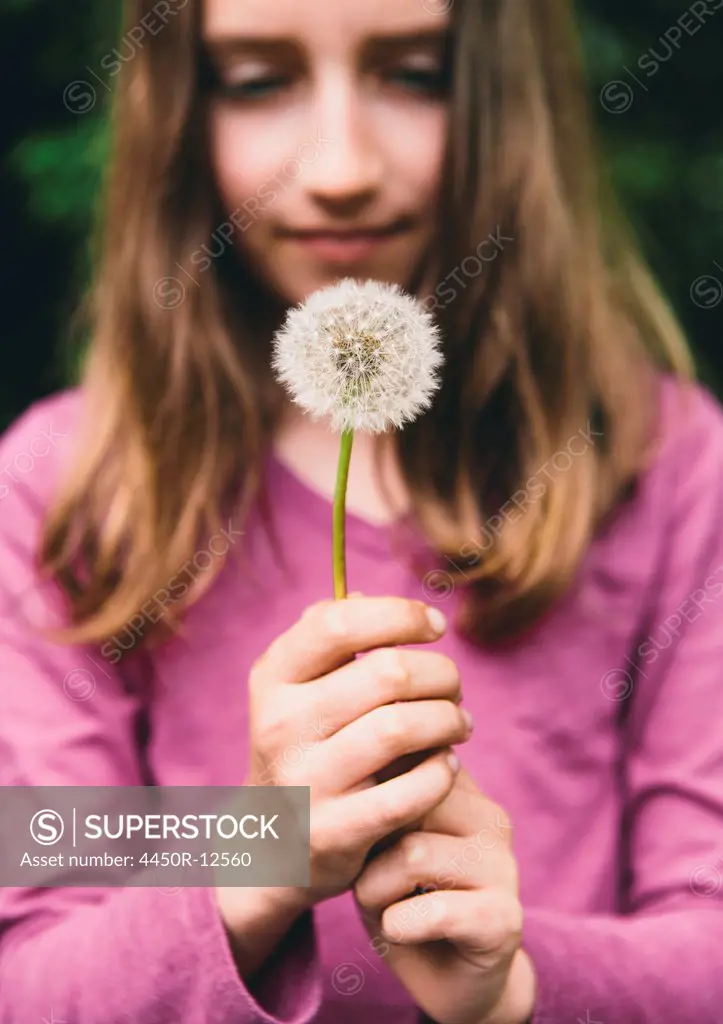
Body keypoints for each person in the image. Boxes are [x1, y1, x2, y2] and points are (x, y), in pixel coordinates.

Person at [1, 0, 722, 1021]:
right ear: (177, 114)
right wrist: (258, 851)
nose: (339, 167)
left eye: (414, 73)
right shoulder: (63, 498)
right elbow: (30, 973)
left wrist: (513, 984)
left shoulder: (673, 470)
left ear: (503, 100)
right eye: (258, 81)